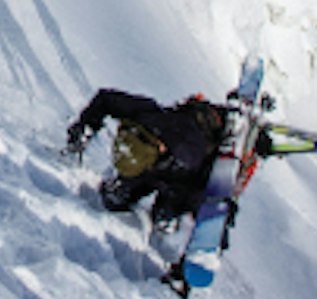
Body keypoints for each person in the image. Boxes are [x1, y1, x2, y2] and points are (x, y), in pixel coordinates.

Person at [63, 88, 238, 234]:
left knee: (165, 214)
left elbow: (203, 184)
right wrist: (82, 129)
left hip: (181, 176)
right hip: (157, 165)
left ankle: (167, 214)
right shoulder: (145, 116)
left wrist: (218, 209)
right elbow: (105, 99)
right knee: (112, 199)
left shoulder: (188, 154)